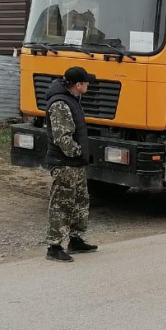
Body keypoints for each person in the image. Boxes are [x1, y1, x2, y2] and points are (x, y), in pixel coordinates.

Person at [44, 66, 99, 262]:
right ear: (78, 85)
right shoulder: (60, 104)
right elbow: (62, 137)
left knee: (80, 202)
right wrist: (77, 152)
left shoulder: (73, 100)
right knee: (61, 204)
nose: (89, 86)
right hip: (65, 162)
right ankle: (54, 246)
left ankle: (76, 240)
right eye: (86, 83)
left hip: (75, 163)